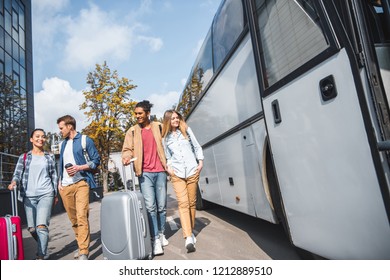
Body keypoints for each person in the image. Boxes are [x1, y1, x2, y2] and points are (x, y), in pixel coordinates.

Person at [122, 100, 168, 256]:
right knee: (150, 207)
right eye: (135, 114)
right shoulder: (133, 131)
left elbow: (168, 143)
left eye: (140, 113)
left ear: (148, 113)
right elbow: (127, 149)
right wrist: (126, 157)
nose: (137, 116)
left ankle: (161, 233)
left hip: (161, 171)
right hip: (144, 173)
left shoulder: (159, 126)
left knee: (161, 207)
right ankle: (155, 239)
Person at [8, 128, 58, 260]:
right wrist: (14, 182)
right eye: (37, 136)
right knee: (32, 228)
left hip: (46, 193)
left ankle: (41, 255)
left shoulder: (49, 157)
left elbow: (54, 176)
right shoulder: (24, 157)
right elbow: (17, 174)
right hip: (28, 196)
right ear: (31, 139)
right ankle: (44, 245)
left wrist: (55, 193)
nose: (40, 139)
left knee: (41, 226)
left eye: (43, 136)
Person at [57, 115, 100, 260]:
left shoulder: (84, 140)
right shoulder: (62, 144)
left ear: (70, 126)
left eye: (61, 128)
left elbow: (96, 161)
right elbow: (60, 164)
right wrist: (59, 182)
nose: (60, 131)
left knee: (82, 216)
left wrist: (79, 167)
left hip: (81, 182)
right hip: (65, 186)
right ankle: (81, 243)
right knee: (74, 219)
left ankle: (83, 251)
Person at [162, 110, 204, 253]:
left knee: (192, 203)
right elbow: (167, 157)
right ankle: (188, 237)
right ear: (168, 121)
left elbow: (197, 146)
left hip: (192, 170)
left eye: (177, 117)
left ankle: (190, 231)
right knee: (183, 203)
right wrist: (169, 169)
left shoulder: (186, 130)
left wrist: (200, 162)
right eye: (173, 118)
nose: (176, 120)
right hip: (177, 174)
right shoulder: (165, 138)